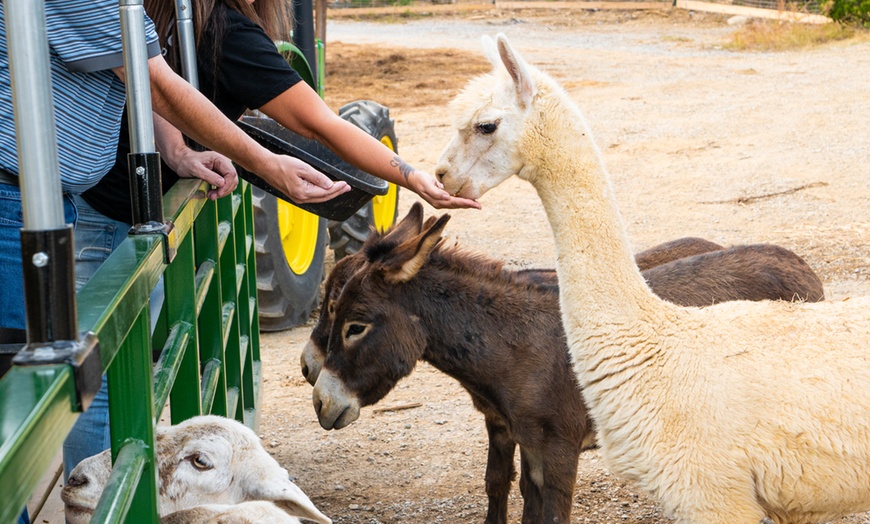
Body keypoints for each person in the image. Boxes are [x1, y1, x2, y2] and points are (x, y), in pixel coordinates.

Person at [0, 0, 366, 495]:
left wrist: (176, 150)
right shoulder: (225, 31)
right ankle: (96, 499)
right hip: (31, 199)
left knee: (76, 376)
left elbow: (136, 80)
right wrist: (269, 162)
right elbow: (153, 83)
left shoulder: (163, 16)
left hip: (59, 196)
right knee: (42, 398)